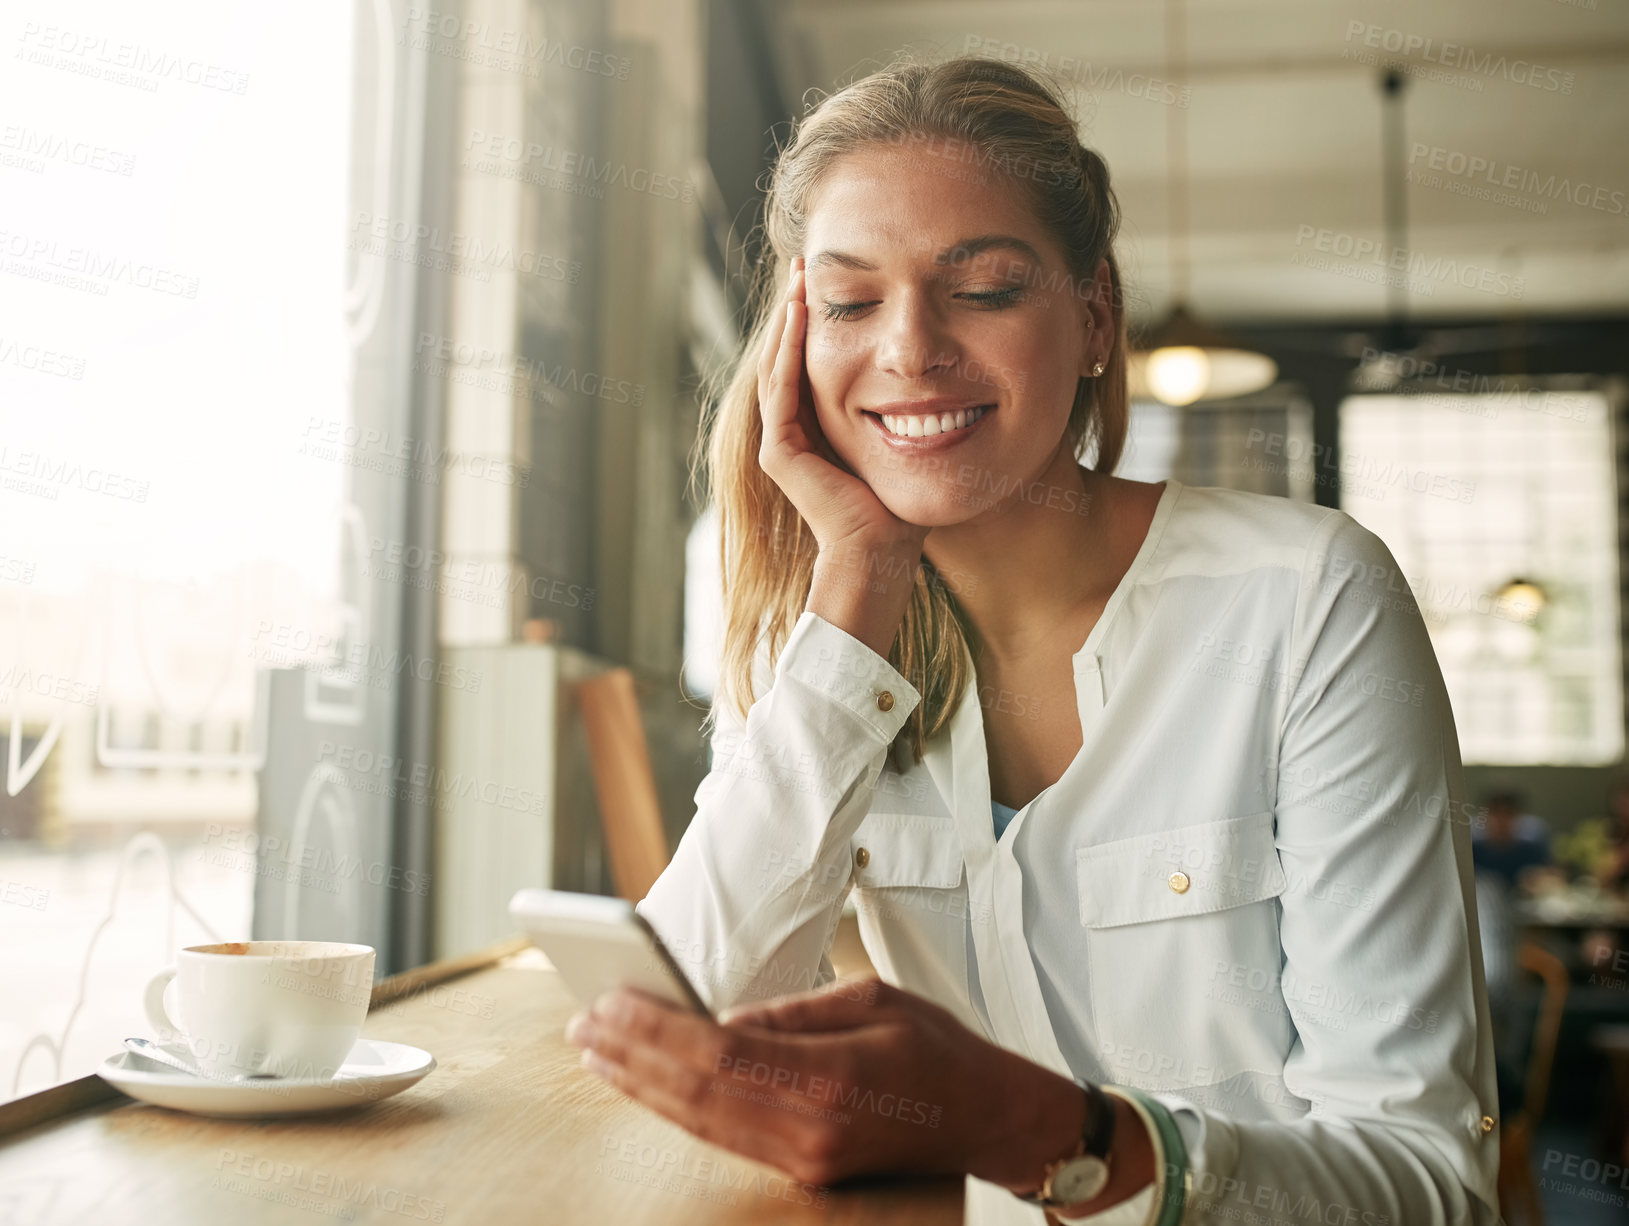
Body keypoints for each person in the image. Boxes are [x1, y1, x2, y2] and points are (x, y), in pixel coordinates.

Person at [565, 55, 1502, 1225]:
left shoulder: (1309, 601)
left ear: (1096, 313)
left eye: (987, 287)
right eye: (851, 301)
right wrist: (856, 581)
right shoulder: (822, 655)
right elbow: (685, 1035)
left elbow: (1425, 1184)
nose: (909, 347)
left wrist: (1043, 1134)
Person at [1470, 789, 1551, 895]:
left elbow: (1550, 876)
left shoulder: (1531, 851)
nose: (1501, 819)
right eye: (1495, 812)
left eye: (1508, 813)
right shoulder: (1472, 852)